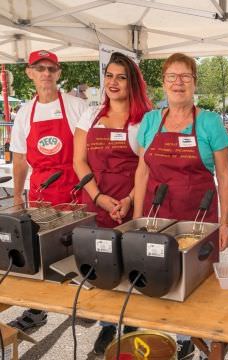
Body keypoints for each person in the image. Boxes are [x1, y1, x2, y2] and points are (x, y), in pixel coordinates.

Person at [133, 52, 228, 359]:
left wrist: (225, 224)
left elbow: (225, 176)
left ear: (194, 82)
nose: (178, 83)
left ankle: (202, 345)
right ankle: (170, 341)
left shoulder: (209, 122)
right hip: (157, 218)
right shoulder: (151, 121)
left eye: (185, 77)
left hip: (199, 219)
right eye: (172, 77)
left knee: (200, 288)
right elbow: (143, 171)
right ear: (163, 83)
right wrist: (136, 220)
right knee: (160, 281)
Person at [73, 52, 152, 355]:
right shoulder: (90, 115)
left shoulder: (145, 119)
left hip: (129, 205)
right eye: (109, 76)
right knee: (100, 265)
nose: (113, 82)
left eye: (121, 77)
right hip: (95, 203)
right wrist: (98, 197)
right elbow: (79, 161)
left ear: (132, 82)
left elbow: (147, 168)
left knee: (132, 266)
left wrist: (129, 200)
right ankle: (107, 326)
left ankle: (131, 323)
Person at [9, 50, 88, 331]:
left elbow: (89, 153)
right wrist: (18, 195)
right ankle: (37, 311)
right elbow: (19, 158)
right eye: (39, 68)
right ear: (29, 72)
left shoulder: (77, 106)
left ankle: (83, 303)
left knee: (80, 248)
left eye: (51, 69)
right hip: (41, 194)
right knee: (42, 253)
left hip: (76, 189)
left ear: (59, 73)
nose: (45, 74)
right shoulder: (24, 113)